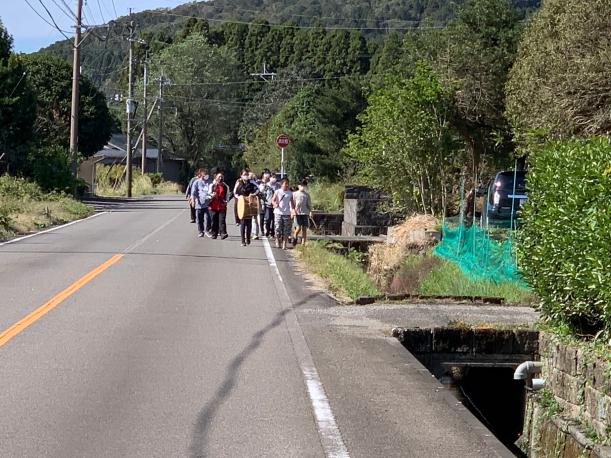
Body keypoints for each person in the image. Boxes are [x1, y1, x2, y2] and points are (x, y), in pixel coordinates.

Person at [234, 169, 259, 246]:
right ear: (241, 175)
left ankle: (248, 238)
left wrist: (252, 194)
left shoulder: (251, 182)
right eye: (244, 174)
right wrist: (240, 198)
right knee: (243, 222)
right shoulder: (239, 182)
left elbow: (258, 189)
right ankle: (242, 241)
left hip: (250, 202)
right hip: (241, 203)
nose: (246, 176)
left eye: (247, 174)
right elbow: (235, 192)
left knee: (249, 222)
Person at [272, 177, 295, 250]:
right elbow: (273, 200)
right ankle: (277, 239)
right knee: (278, 228)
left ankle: (284, 244)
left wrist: (293, 211)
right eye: (285, 184)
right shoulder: (277, 191)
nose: (287, 185)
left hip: (286, 213)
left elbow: (292, 203)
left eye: (287, 184)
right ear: (281, 184)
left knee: (286, 230)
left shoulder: (290, 193)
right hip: (278, 212)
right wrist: (274, 204)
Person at [191, 168, 212, 237]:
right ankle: (201, 231)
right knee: (199, 219)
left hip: (208, 203)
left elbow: (212, 190)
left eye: (206, 173)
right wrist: (193, 201)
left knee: (208, 218)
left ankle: (207, 230)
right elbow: (193, 192)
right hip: (199, 204)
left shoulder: (210, 182)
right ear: (200, 174)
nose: (206, 175)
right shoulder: (196, 182)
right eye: (204, 173)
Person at [208, 172, 230, 240]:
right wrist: (212, 195)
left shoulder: (225, 186)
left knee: (222, 220)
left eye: (221, 177)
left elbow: (227, 195)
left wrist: (226, 201)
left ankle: (223, 233)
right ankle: (214, 233)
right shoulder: (212, 185)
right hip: (213, 206)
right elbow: (208, 194)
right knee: (214, 220)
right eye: (219, 177)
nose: (220, 178)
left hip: (222, 206)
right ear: (216, 178)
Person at [292, 179, 313, 246]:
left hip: (305, 213)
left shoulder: (307, 195)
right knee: (298, 227)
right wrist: (293, 211)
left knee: (304, 228)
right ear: (298, 186)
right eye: (301, 185)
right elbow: (292, 203)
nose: (302, 187)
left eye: (304, 185)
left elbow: (309, 204)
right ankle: (295, 236)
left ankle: (303, 243)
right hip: (297, 213)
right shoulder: (295, 194)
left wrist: (310, 212)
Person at [259, 170, 274, 237]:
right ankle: (262, 230)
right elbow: (260, 193)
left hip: (270, 204)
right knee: (262, 217)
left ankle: (270, 231)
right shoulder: (261, 184)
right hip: (262, 203)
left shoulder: (275, 185)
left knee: (270, 218)